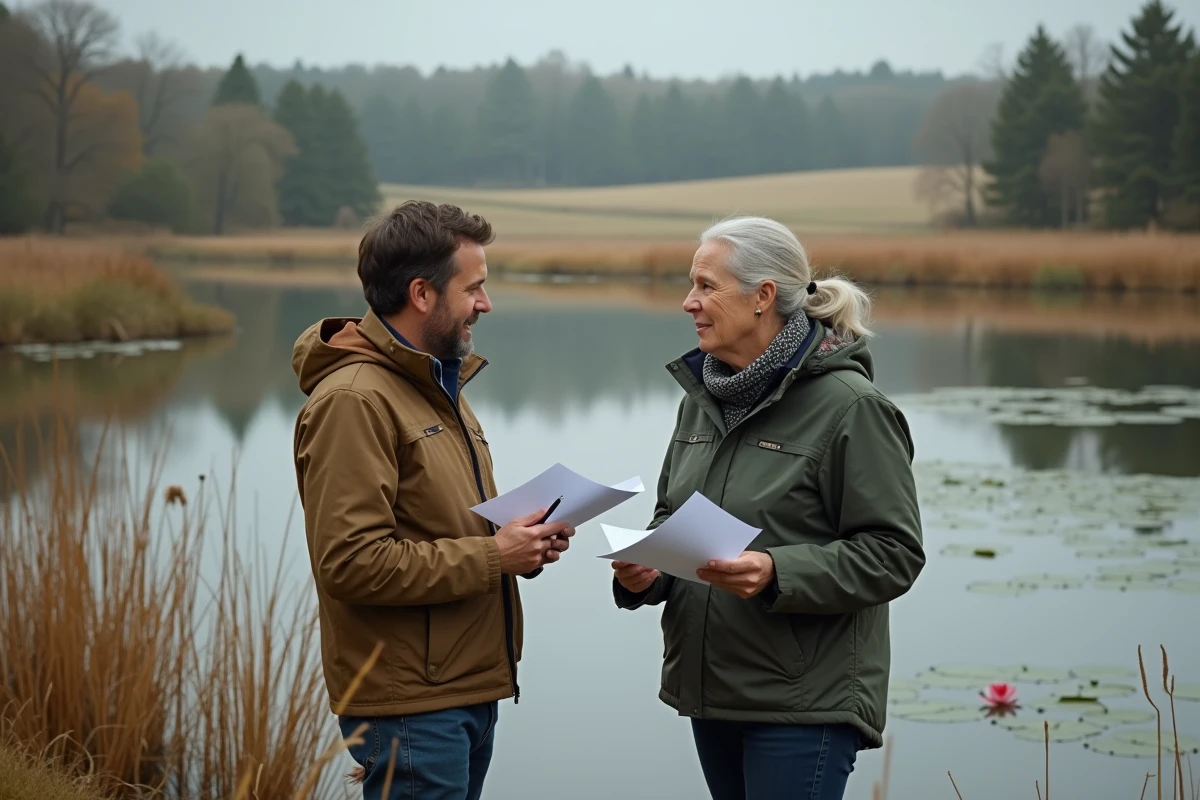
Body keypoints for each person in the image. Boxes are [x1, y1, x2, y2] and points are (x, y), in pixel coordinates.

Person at [611, 216, 925, 800]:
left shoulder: (852, 408)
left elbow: (894, 554)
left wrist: (776, 572)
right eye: (691, 284)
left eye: (706, 285)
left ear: (762, 297)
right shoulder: (702, 403)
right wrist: (648, 572)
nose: (689, 302)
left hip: (804, 703)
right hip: (714, 693)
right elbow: (673, 521)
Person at [292, 200, 574, 800]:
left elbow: (434, 523)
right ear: (422, 294)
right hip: (411, 707)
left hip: (461, 691)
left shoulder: (434, 382)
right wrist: (495, 557)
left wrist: (518, 539)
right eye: (474, 288)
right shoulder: (355, 401)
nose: (486, 304)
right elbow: (351, 562)